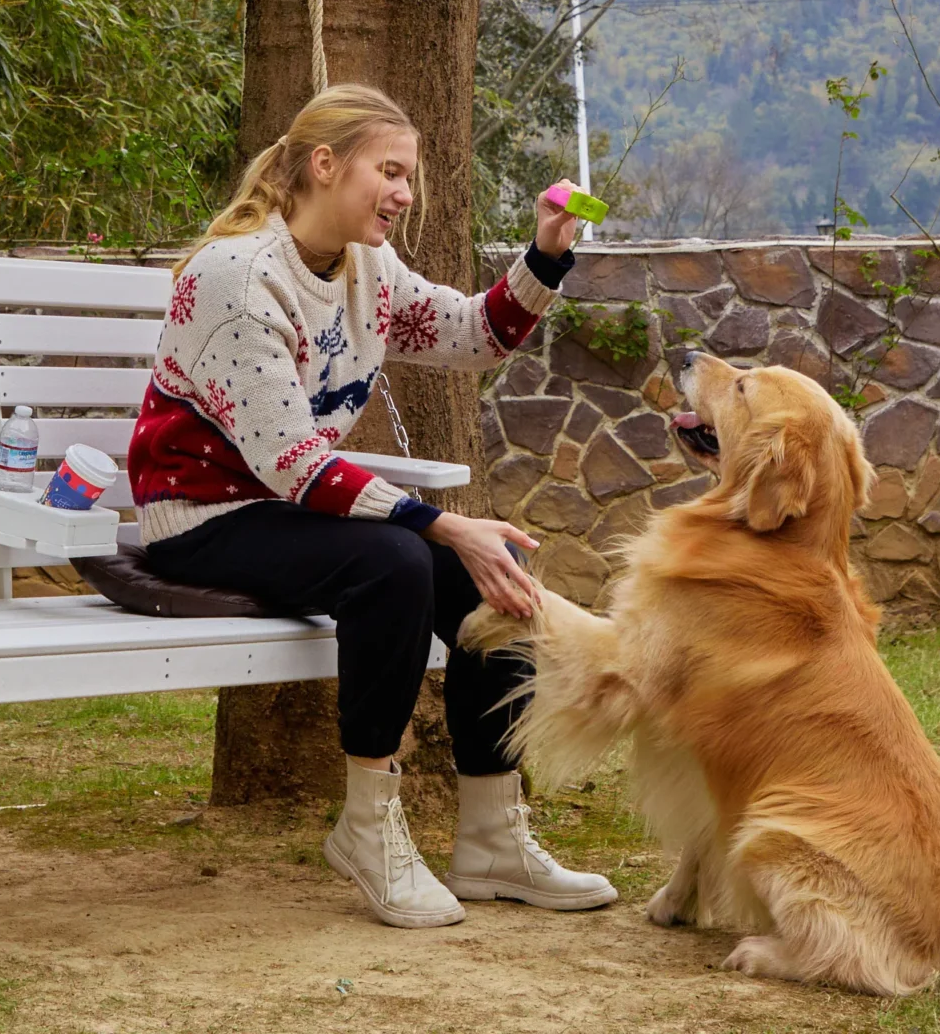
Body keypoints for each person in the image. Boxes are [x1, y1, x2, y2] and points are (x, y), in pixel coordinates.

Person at [129, 83, 612, 928]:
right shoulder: (238, 276)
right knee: (396, 564)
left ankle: (491, 837)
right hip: (203, 518)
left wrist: (545, 254)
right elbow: (291, 467)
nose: (405, 192)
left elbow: (471, 336)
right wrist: (445, 525)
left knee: (496, 572)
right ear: (325, 164)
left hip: (291, 508)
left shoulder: (366, 269)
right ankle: (366, 824)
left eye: (409, 176)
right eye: (389, 171)